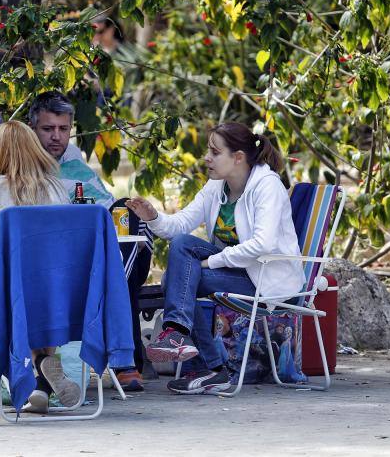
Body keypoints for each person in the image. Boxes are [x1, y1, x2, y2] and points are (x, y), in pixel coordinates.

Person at [126, 121, 305, 395]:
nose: (206, 158)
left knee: (180, 279)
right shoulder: (216, 186)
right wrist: (153, 217)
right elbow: (179, 228)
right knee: (184, 250)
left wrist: (211, 262)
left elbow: (263, 243)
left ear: (238, 157)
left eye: (214, 151)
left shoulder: (267, 186)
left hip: (267, 278)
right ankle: (180, 338)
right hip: (237, 271)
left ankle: (208, 366)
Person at [28, 91, 152, 392]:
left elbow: (108, 209)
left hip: (96, 257)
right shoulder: (22, 165)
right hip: (52, 261)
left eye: (63, 129)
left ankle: (115, 284)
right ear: (32, 130)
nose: (57, 137)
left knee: (128, 209)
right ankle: (126, 360)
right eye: (48, 129)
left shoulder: (77, 166)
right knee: (118, 275)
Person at [0, 120, 76, 414]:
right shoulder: (57, 189)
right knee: (33, 292)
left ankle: (28, 378)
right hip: (55, 293)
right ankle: (41, 377)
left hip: (6, 298)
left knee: (1, 291)